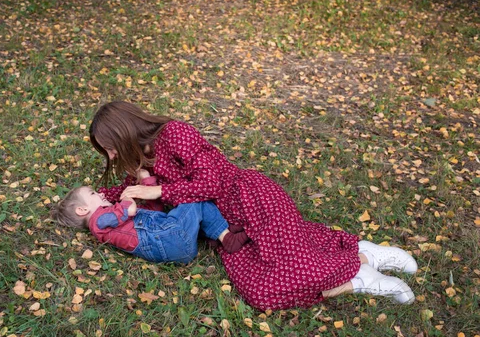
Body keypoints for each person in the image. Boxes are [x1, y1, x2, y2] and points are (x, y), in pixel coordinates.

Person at [89, 101, 419, 310]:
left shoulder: (175, 135)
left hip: (252, 199)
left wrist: (156, 190)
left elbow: (210, 184)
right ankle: (360, 275)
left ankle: (366, 261)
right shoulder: (141, 162)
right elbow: (120, 193)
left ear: (122, 133)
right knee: (262, 292)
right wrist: (92, 204)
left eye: (109, 148)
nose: (112, 157)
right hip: (229, 229)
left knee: (296, 264)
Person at [51, 170, 250, 264]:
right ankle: (226, 238)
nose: (101, 194)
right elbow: (128, 210)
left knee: (189, 206)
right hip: (169, 239)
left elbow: (156, 214)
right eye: (94, 194)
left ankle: (214, 235)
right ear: (82, 210)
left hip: (173, 248)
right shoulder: (99, 221)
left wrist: (146, 182)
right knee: (193, 200)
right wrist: (127, 198)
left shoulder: (109, 222)